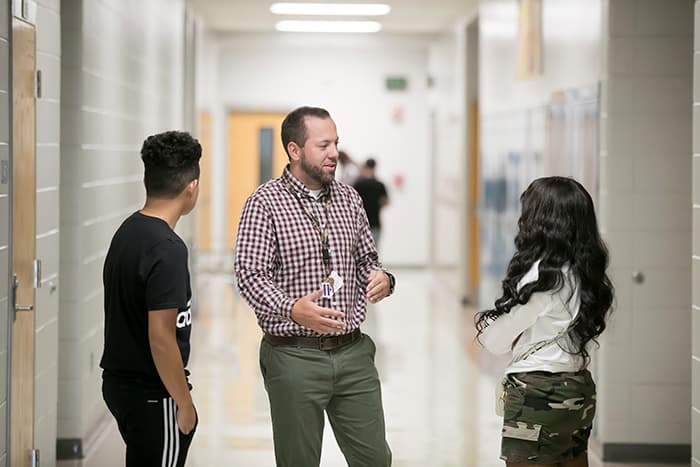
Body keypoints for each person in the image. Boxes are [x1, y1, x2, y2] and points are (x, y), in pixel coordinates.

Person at [234, 106, 395, 467]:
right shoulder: (265, 203)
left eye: (336, 143)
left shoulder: (349, 199)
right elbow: (250, 275)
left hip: (353, 353)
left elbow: (366, 259)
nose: (334, 153)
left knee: (375, 460)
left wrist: (383, 278)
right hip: (294, 355)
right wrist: (292, 308)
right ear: (295, 150)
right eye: (323, 145)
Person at [475, 176, 614, 467]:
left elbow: (497, 342)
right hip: (579, 390)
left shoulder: (544, 275)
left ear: (542, 220)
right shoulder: (586, 270)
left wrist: (489, 326)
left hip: (537, 396)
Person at [100, 131, 201, 467]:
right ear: (192, 187)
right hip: (153, 394)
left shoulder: (128, 231)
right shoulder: (168, 249)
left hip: (120, 384)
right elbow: (161, 338)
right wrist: (183, 403)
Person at [353, 158, 389, 248]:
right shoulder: (379, 184)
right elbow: (387, 201)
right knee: (374, 252)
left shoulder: (358, 184)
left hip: (360, 223)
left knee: (360, 253)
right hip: (375, 222)